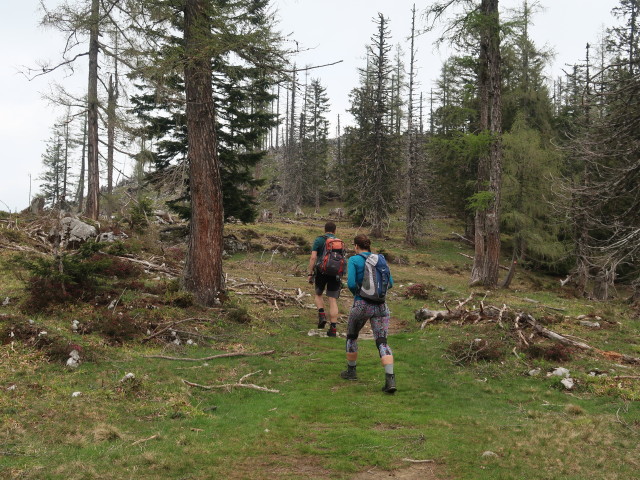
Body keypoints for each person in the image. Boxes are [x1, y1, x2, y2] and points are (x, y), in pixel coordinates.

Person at [341, 234, 396, 394]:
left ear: (356, 246)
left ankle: (351, 371)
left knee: (351, 336)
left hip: (362, 304)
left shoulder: (354, 260)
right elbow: (390, 283)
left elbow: (351, 283)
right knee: (382, 341)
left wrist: (359, 294)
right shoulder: (379, 260)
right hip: (381, 306)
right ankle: (390, 379)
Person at [307, 221, 343, 337]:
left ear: (324, 229)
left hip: (321, 272)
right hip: (335, 273)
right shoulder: (338, 242)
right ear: (334, 231)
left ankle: (322, 314)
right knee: (332, 300)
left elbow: (313, 258)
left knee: (318, 294)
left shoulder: (319, 240)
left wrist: (310, 273)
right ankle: (333, 329)